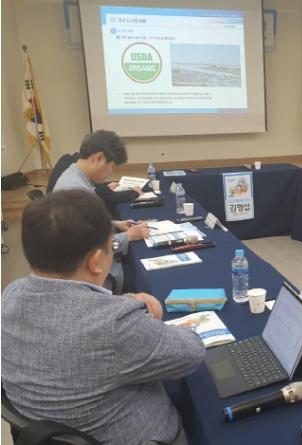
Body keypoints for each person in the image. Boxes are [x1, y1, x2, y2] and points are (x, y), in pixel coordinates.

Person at [1, 190, 205, 444]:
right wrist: (136, 316)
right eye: (111, 247)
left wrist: (123, 303)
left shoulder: (11, 295)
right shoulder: (115, 325)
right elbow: (191, 353)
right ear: (96, 261)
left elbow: (67, 315)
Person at [53, 130, 149, 292]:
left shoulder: (74, 175)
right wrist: (129, 236)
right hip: (96, 278)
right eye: (112, 167)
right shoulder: (76, 192)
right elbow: (89, 249)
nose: (111, 173)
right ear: (99, 158)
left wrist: (115, 224)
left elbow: (84, 225)